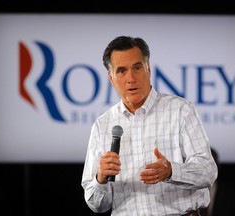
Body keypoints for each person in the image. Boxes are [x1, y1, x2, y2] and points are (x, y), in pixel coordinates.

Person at [81, 35, 218, 216]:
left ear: (148, 69)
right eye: (121, 71)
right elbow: (96, 204)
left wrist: (171, 172)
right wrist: (100, 179)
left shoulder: (180, 110)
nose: (131, 78)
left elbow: (208, 171)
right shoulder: (102, 125)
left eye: (137, 68)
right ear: (111, 78)